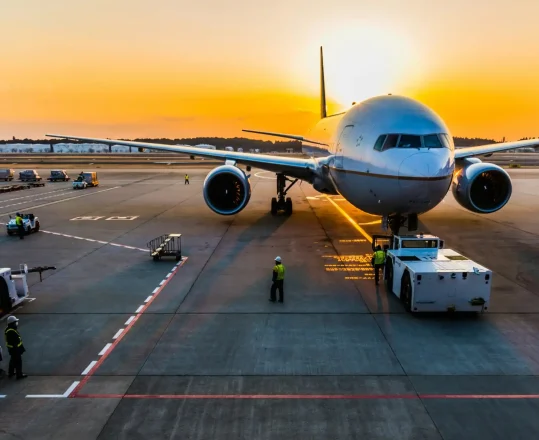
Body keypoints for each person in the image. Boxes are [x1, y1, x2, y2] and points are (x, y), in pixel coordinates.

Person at [4, 315, 27, 380]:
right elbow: (14, 342)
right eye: (15, 322)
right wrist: (18, 350)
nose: (16, 323)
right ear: (12, 323)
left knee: (13, 361)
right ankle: (19, 374)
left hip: (12, 349)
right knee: (18, 362)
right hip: (15, 349)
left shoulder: (9, 329)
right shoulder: (11, 331)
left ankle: (11, 373)